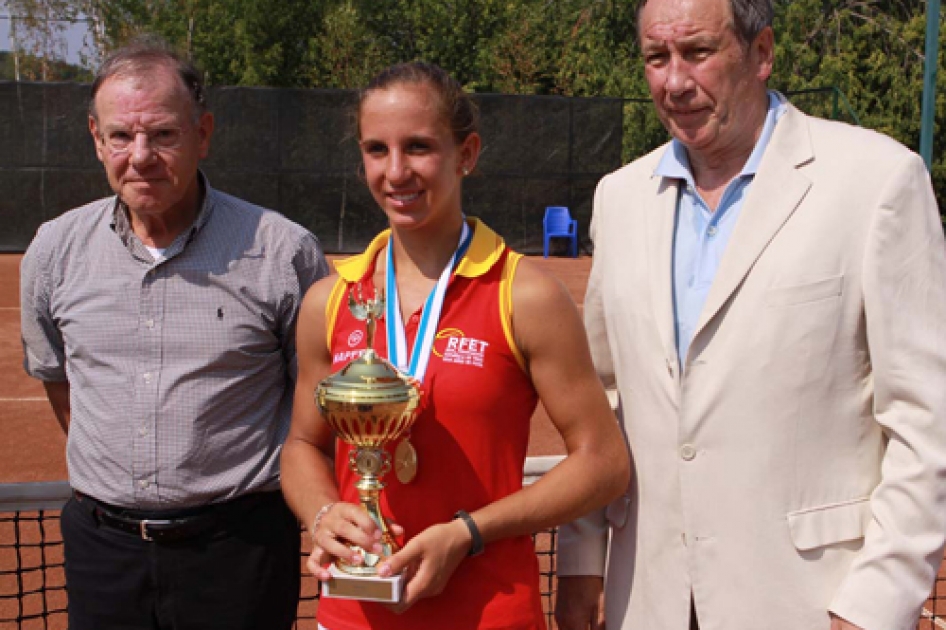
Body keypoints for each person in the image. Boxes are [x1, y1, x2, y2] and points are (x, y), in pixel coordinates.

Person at [554, 0, 946, 629]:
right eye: (657, 57)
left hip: (812, 606)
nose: (675, 82)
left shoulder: (880, 181)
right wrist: (579, 562)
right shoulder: (619, 196)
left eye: (698, 53)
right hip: (646, 602)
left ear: (761, 53)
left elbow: (927, 420)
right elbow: (600, 400)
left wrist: (874, 606)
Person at [280, 61, 630, 630]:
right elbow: (301, 446)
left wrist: (468, 532)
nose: (396, 171)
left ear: (466, 153)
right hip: (355, 614)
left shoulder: (526, 295)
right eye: (376, 149)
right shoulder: (329, 299)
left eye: (418, 147)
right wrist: (323, 513)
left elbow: (604, 462)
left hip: (490, 613)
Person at [19, 36, 329, 630]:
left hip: (241, 551)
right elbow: (63, 386)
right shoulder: (53, 251)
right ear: (96, 137)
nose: (140, 155)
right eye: (121, 135)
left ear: (202, 133)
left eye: (163, 134)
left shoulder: (282, 251)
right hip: (103, 554)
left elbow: (318, 398)